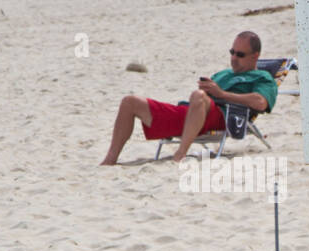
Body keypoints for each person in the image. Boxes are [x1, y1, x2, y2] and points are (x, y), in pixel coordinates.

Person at [100, 31, 277, 165]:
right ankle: (110, 159)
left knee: (199, 96)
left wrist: (221, 94)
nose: (233, 58)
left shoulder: (262, 78)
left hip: (222, 116)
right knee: (130, 102)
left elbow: (261, 102)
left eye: (240, 55)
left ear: (255, 56)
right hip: (193, 113)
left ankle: (180, 153)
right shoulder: (223, 74)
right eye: (232, 52)